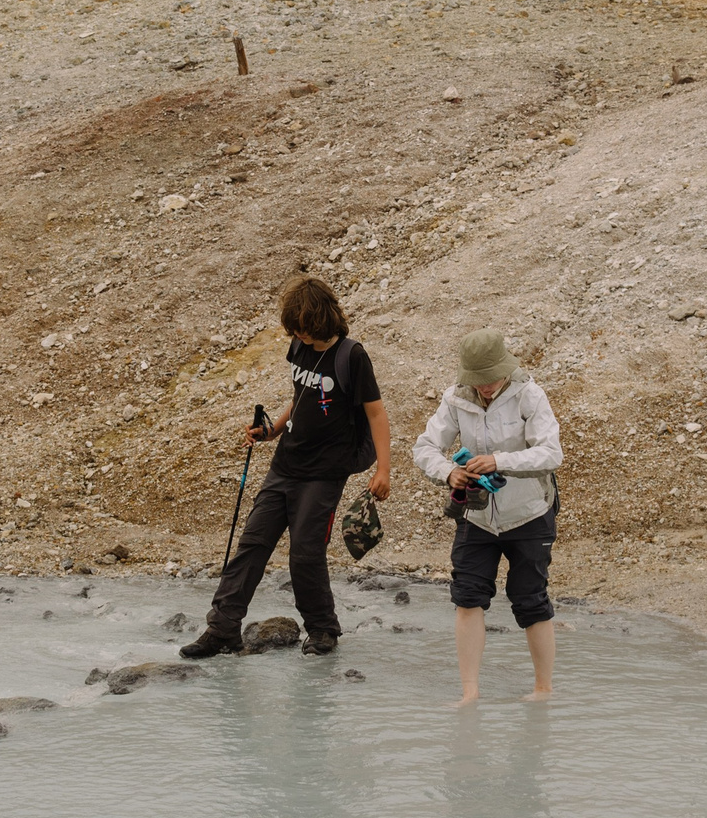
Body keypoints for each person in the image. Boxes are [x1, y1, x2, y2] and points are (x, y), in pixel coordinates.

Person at [180, 276, 390, 659]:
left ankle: (322, 629)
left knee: (305, 553)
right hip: (286, 463)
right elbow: (300, 396)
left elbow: (377, 414)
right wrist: (271, 431)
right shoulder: (299, 346)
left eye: (302, 328)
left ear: (321, 318)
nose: (297, 335)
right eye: (293, 329)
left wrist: (384, 471)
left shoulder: (352, 356)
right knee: (252, 544)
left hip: (325, 472)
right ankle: (222, 629)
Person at [414, 330, 564, 705]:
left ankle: (543, 689)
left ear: (505, 368)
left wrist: (499, 461)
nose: (484, 386)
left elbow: (551, 454)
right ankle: (470, 693)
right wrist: (448, 472)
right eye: (477, 379)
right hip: (476, 516)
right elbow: (425, 447)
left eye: (491, 378)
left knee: (531, 599)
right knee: (467, 597)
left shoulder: (530, 395)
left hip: (530, 514)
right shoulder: (455, 398)